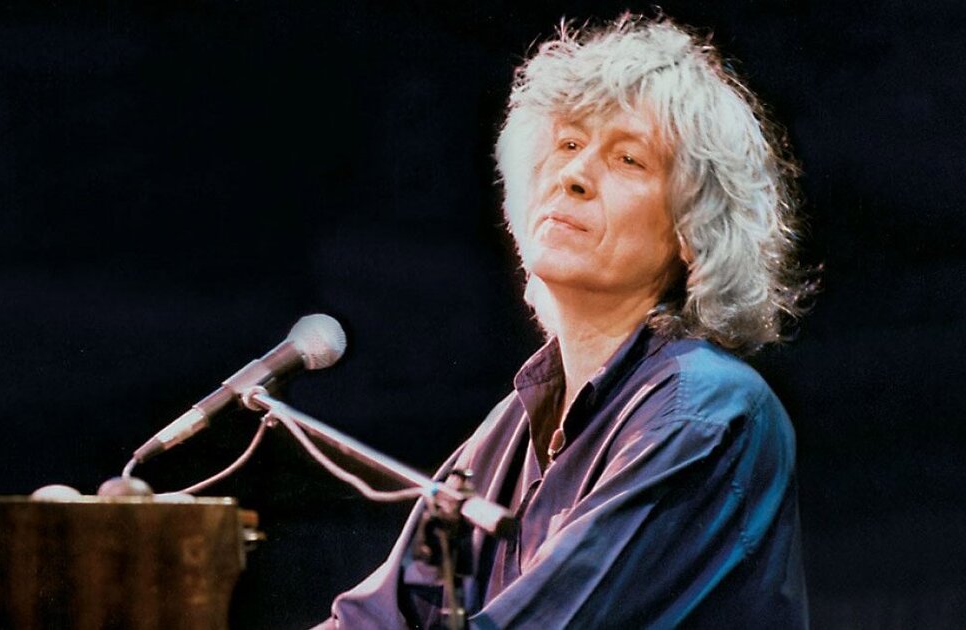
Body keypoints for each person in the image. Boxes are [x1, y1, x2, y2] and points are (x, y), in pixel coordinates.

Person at [322, 14, 813, 629]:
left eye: (628, 159)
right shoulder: (508, 428)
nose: (573, 176)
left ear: (694, 231)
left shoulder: (704, 411)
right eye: (569, 144)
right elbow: (377, 619)